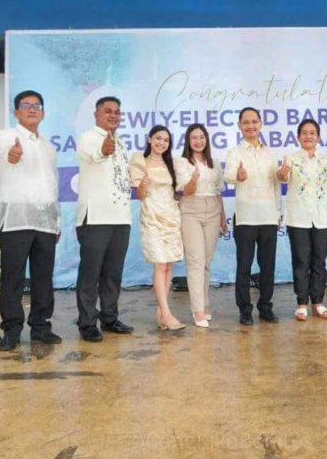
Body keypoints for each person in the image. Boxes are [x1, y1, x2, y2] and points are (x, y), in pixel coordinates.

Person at [0, 90, 62, 351]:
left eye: (37, 106)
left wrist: (55, 219)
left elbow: (53, 184)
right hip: (16, 219)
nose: (32, 109)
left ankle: (41, 327)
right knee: (13, 278)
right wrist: (13, 154)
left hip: (45, 219)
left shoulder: (48, 146)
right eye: (26, 105)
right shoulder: (7, 136)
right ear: (16, 112)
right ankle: (11, 329)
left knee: (43, 277)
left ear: (43, 113)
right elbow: (7, 153)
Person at [75, 96, 134, 342]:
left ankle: (109, 318)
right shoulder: (88, 138)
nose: (113, 115)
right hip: (96, 218)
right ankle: (87, 322)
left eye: (117, 112)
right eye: (108, 111)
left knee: (113, 273)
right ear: (96, 114)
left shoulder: (120, 143)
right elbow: (97, 153)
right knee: (90, 273)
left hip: (120, 217)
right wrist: (103, 148)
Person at [224, 107, 281, 325]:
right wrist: (237, 176)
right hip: (245, 217)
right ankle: (245, 310)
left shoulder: (270, 152)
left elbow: (276, 185)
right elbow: (228, 176)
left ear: (261, 124)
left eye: (254, 122)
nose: (250, 126)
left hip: (268, 216)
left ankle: (265, 307)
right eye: (246, 122)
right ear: (239, 125)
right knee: (244, 266)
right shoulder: (235, 152)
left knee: (268, 266)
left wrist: (277, 212)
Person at [278, 119, 327, 321]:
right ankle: (302, 303)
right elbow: (282, 178)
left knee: (319, 261)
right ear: (298, 136)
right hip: (298, 218)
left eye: (312, 133)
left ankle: (318, 302)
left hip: (323, 217)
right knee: (301, 260)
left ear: (318, 137)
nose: (308, 136)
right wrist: (282, 171)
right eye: (304, 133)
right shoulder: (291, 159)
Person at [130, 125, 186, 330]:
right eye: (158, 138)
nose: (162, 143)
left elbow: (176, 192)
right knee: (160, 265)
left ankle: (161, 313)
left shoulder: (172, 163)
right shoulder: (139, 161)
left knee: (169, 265)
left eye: (166, 140)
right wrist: (143, 183)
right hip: (152, 217)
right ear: (149, 139)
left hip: (172, 216)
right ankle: (167, 314)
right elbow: (141, 195)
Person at [176, 124, 226, 328]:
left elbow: (218, 191)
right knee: (195, 261)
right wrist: (194, 179)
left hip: (213, 209)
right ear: (188, 141)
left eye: (202, 137)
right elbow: (186, 190)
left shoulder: (214, 163)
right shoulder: (181, 162)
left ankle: (204, 306)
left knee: (206, 262)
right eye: (194, 137)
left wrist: (222, 216)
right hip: (191, 209)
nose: (198, 141)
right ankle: (197, 311)